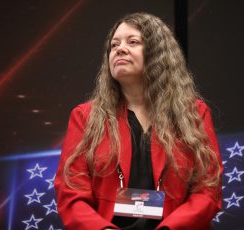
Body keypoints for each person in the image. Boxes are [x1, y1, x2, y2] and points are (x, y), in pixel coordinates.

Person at [54, 12, 223, 230]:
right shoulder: (85, 116)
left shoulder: (194, 113)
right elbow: (71, 194)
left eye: (132, 42)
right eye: (114, 45)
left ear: (158, 54)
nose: (119, 49)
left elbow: (208, 190)